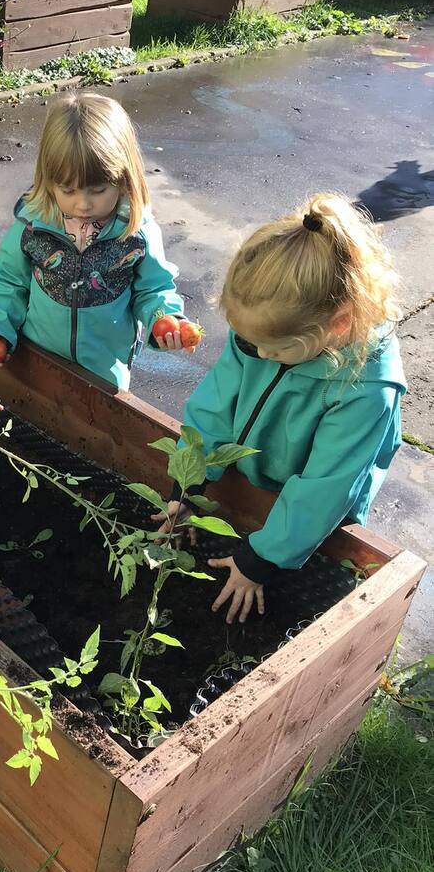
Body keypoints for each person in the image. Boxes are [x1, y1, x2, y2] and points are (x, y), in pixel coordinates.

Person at [159, 193, 405, 624]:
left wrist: (261, 559)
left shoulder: (365, 390)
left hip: (317, 515)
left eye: (273, 349)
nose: (258, 354)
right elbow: (213, 408)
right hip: (258, 474)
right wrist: (188, 485)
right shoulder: (263, 339)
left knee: (314, 579)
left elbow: (325, 489)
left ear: (338, 324)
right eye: (249, 342)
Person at [0, 92, 194, 391]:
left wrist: (163, 319)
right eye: (68, 190)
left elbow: (153, 289)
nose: (83, 204)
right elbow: (9, 282)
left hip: (105, 369)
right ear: (48, 180)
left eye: (99, 189)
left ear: (123, 178)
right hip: (38, 356)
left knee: (99, 418)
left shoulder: (136, 233)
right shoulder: (33, 225)